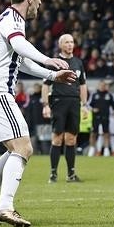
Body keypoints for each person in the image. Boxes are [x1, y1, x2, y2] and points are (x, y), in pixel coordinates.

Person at [0, 0, 76, 227]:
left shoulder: (10, 21)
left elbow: (22, 60)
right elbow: (20, 44)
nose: (40, 2)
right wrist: (49, 60)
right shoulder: (11, 20)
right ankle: (5, 206)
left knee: (15, 150)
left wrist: (51, 75)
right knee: (24, 148)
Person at [42, 33, 88, 183]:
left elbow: (82, 85)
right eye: (67, 42)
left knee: (71, 139)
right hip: (58, 102)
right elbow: (45, 85)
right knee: (57, 138)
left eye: (72, 42)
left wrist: (85, 105)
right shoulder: (54, 63)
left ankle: (71, 174)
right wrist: (46, 105)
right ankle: (53, 174)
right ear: (61, 45)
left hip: (74, 103)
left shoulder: (78, 63)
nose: (70, 45)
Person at [87, 80, 114, 157]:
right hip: (96, 117)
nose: (102, 87)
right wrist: (93, 109)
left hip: (105, 117)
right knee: (93, 133)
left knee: (106, 133)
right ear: (98, 86)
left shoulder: (109, 95)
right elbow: (88, 105)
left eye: (104, 85)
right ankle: (92, 149)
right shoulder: (94, 94)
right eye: (101, 85)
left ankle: (106, 150)